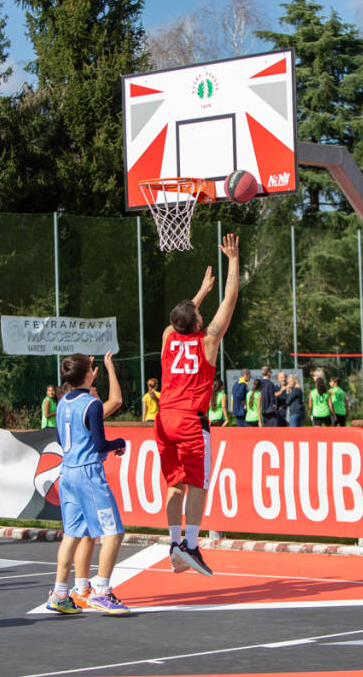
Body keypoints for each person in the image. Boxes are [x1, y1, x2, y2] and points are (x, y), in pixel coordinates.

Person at [155, 233, 240, 577]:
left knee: (175, 485)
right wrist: (233, 260)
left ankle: (174, 543)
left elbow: (181, 319)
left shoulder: (167, 336)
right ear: (199, 322)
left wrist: (200, 293)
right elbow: (230, 300)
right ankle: (191, 544)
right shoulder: (208, 341)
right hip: (191, 420)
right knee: (198, 484)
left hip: (163, 420)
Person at [44, 353, 129, 615]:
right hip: (87, 473)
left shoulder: (61, 403)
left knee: (73, 534)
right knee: (113, 531)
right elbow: (100, 444)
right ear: (89, 375)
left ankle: (60, 592)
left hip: (66, 471)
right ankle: (101, 591)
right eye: (92, 369)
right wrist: (119, 444)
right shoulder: (91, 404)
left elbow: (60, 438)